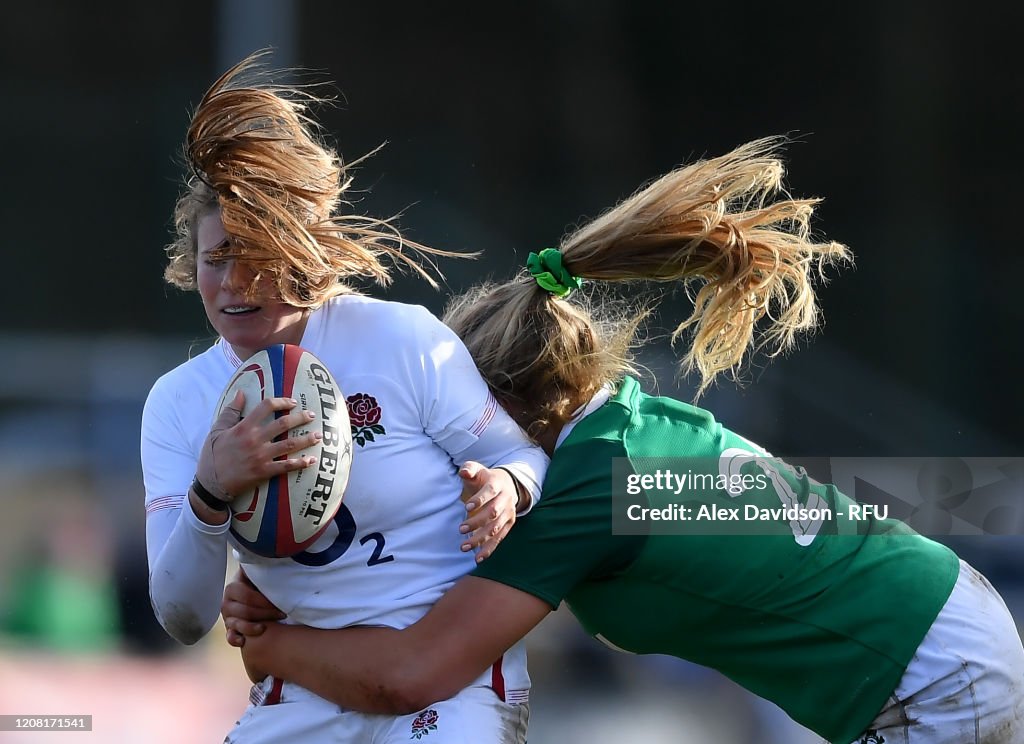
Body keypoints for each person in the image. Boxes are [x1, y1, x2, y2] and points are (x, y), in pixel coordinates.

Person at [222, 137, 1024, 744]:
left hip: (931, 671)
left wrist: (275, 648)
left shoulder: (589, 492)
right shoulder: (617, 429)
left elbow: (413, 676)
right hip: (940, 629)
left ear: (506, 402)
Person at [141, 51, 547, 743]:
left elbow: (520, 452)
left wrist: (508, 486)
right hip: (304, 685)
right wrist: (212, 492)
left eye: (257, 254)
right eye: (216, 259)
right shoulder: (180, 402)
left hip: (451, 684)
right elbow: (182, 618)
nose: (234, 282)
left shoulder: (400, 339)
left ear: (304, 252)